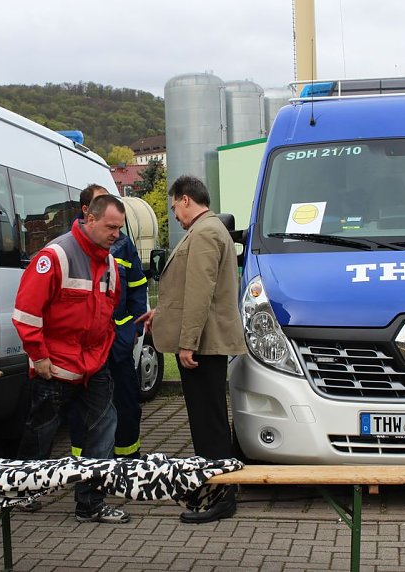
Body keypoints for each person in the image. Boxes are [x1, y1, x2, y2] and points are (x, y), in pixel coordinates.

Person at [12, 193, 131, 524]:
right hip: (55, 368)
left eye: (119, 229)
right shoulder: (55, 256)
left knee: (104, 427)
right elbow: (25, 313)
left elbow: (107, 311)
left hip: (94, 366)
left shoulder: (109, 262)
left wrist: (104, 351)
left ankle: (90, 503)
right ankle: (22, 492)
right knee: (41, 431)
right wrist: (40, 358)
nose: (116, 235)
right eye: (110, 227)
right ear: (90, 220)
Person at [137, 175, 246, 524]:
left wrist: (188, 343)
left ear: (186, 200)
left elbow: (201, 294)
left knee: (208, 424)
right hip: (205, 342)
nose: (175, 215)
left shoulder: (205, 233)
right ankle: (212, 486)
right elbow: (191, 291)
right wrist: (162, 311)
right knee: (207, 422)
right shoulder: (207, 231)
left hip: (202, 346)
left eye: (174, 207)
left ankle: (220, 496)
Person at [67, 185, 148, 460]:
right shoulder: (69, 247)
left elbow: (137, 287)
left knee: (126, 401)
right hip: (86, 347)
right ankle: (86, 462)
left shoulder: (123, 245)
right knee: (86, 407)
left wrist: (134, 330)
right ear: (88, 212)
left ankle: (127, 459)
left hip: (118, 341)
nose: (114, 231)